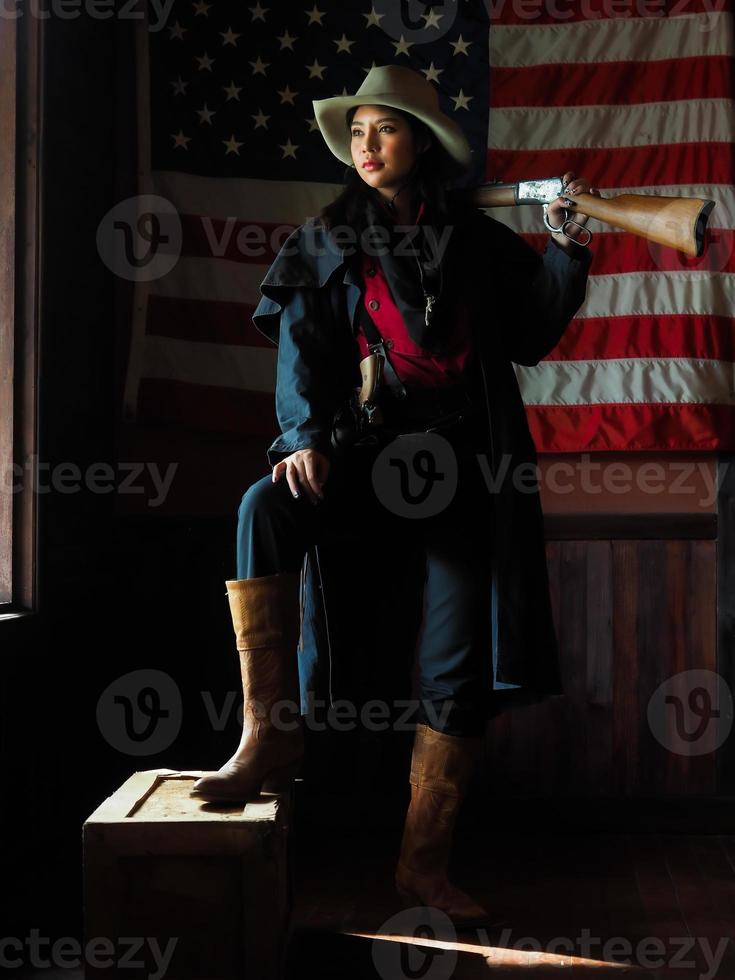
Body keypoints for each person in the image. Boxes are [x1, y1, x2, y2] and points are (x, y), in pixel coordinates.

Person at [190, 65, 599, 926]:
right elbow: (300, 352)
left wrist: (566, 250)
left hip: (463, 471)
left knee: (453, 665)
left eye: (386, 129)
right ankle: (268, 735)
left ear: (420, 142)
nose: (368, 145)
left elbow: (528, 336)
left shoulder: (478, 239)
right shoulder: (326, 239)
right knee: (262, 507)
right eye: (359, 132)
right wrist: (303, 439)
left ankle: (422, 868)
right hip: (367, 457)